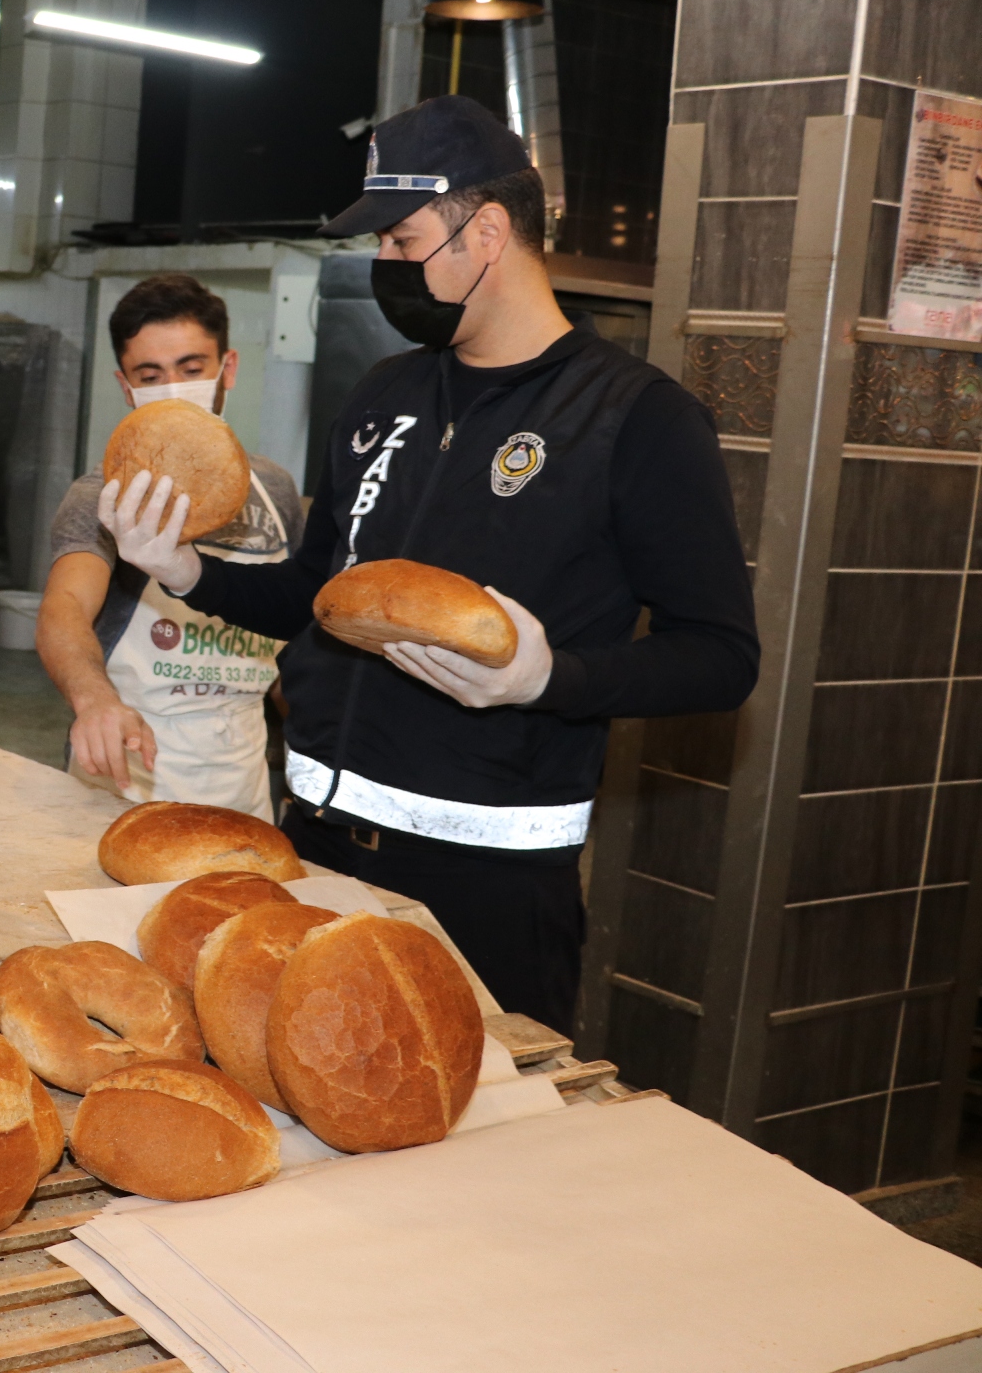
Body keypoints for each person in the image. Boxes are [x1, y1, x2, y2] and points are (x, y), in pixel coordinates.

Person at [98, 95, 759, 1034]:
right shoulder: (384, 393)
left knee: (472, 1159)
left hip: (486, 891)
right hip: (317, 852)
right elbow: (315, 597)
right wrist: (187, 569)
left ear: (487, 232)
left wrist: (551, 679)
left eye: (403, 242)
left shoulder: (634, 419)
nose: (385, 268)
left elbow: (722, 656)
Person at [37, 276, 305, 819]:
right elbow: (63, 609)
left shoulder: (275, 490)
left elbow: (292, 624)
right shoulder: (102, 498)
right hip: (128, 779)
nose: (174, 387)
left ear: (227, 369)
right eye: (151, 375)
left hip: (245, 786)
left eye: (191, 368)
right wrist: (95, 702)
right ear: (126, 385)